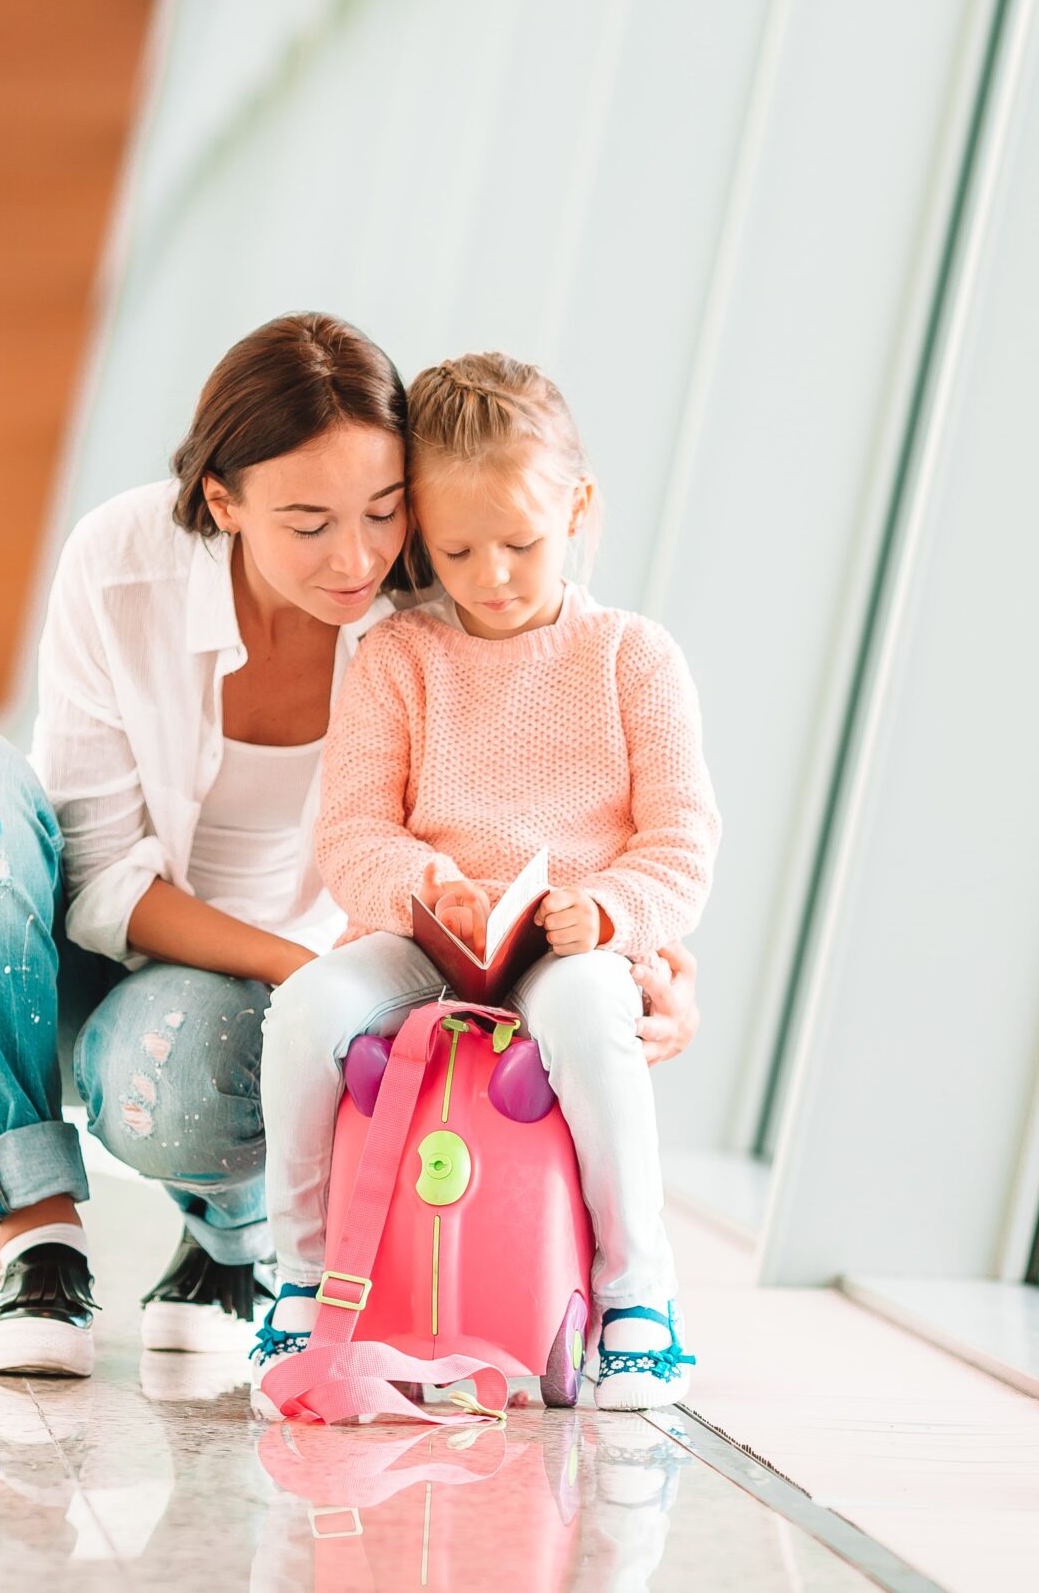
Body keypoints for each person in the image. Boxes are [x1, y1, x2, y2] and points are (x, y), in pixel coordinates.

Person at [0, 314, 704, 1381]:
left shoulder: (440, 598)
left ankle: (230, 1248)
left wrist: (638, 948)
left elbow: (585, 735)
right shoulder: (121, 564)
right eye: (307, 521)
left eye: (386, 514)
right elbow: (101, 873)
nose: (356, 557)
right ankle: (42, 1246)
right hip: (94, 955)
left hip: (223, 1019)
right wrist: (321, 971)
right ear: (222, 502)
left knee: (219, 1053)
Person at [252, 352, 718, 1413]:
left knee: (593, 1018)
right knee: (305, 1010)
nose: (492, 576)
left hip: (568, 948)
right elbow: (355, 830)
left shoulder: (631, 659)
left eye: (521, 544)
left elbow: (681, 842)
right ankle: (305, 1276)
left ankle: (638, 1293)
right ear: (418, 532)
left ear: (579, 509)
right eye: (456, 550)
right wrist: (428, 884)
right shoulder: (397, 658)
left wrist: (607, 912)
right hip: (426, 942)